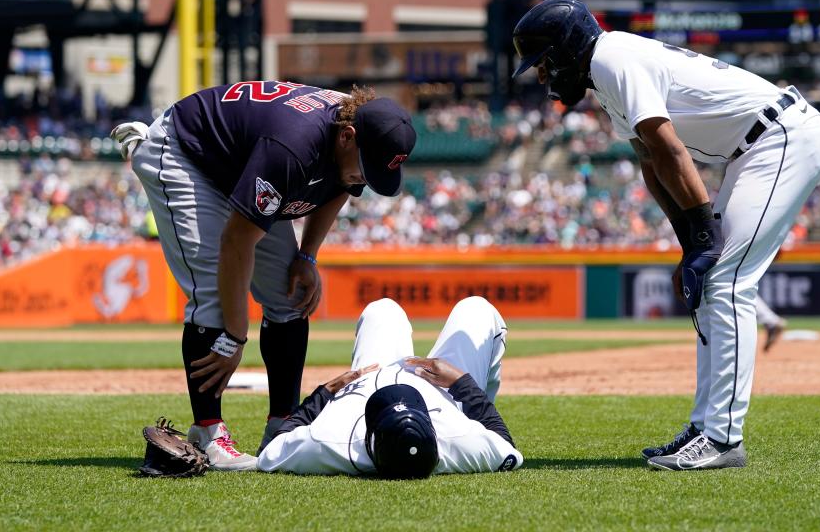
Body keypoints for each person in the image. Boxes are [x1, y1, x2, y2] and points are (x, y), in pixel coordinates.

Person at [512, 0, 820, 471]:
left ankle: (722, 438)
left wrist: (704, 233)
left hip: (782, 137)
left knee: (725, 281)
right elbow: (650, 162)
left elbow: (668, 146)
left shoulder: (610, 58)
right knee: (708, 283)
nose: (542, 76)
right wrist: (691, 241)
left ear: (566, 49)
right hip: (757, 147)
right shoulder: (606, 70)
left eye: (543, 63)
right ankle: (706, 427)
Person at [111, 81, 416, 471]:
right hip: (187, 151)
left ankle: (283, 426)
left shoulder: (357, 127)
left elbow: (343, 184)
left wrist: (307, 254)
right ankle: (207, 430)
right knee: (213, 297)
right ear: (346, 137)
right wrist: (235, 337)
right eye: (366, 166)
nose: (365, 178)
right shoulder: (295, 143)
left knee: (289, 294)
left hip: (241, 161)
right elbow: (236, 243)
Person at [257, 296, 524, 477]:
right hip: (444, 396)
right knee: (477, 308)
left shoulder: (332, 441)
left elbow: (271, 449)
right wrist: (462, 383)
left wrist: (326, 392)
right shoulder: (459, 440)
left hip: (365, 384)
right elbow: (504, 442)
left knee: (382, 309)